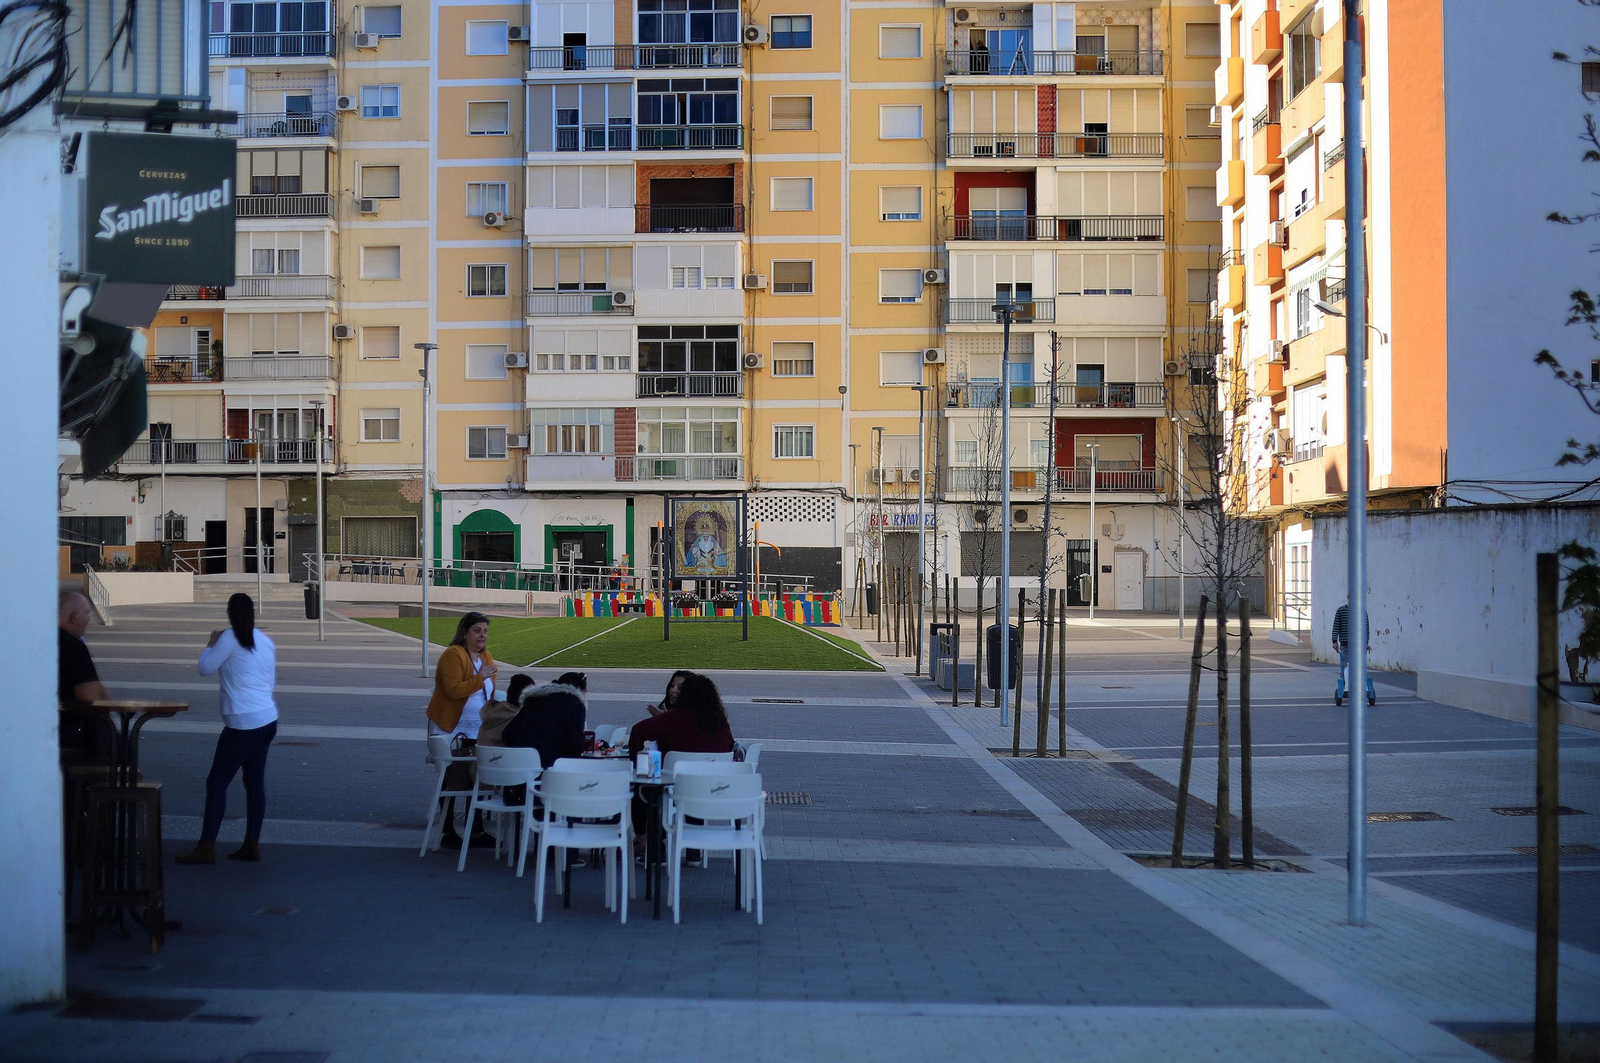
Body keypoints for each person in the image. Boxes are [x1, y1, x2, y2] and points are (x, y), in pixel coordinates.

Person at [177, 594, 279, 865]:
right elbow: (269, 683)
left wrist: (210, 643)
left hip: (242, 723)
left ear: (230, 613)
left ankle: (206, 847)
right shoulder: (265, 641)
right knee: (254, 783)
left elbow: (204, 668)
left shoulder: (229, 638)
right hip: (267, 719)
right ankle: (251, 845)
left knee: (217, 782)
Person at [425, 612, 498, 848]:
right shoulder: (453, 655)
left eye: (485, 631)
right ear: (464, 632)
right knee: (452, 780)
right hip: (452, 728)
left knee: (475, 776)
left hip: (478, 730)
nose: (482, 636)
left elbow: (488, 689)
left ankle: (475, 830)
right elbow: (453, 690)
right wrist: (480, 677)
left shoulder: (485, 656)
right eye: (477, 630)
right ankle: (447, 832)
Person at [628, 672, 734, 758]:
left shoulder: (672, 719)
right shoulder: (721, 722)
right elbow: (729, 747)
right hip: (715, 780)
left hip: (675, 780)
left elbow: (637, 731)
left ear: (684, 694)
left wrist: (638, 765)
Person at [501, 671, 588, 773]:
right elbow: (575, 746)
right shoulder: (576, 705)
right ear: (580, 690)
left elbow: (507, 734)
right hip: (547, 772)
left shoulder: (533, 701)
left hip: (514, 770)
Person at [58, 590, 109, 759]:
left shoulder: (37, 641)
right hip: (68, 733)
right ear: (74, 617)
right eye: (86, 614)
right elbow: (90, 695)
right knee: (119, 746)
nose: (88, 619)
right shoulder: (72, 646)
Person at [1331, 602, 1376, 705]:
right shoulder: (1341, 611)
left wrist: (1366, 643)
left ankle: (1361, 686)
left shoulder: (1362, 612)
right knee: (1345, 667)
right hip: (1345, 645)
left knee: (1359, 667)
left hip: (1359, 645)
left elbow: (1366, 629)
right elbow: (1336, 627)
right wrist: (1334, 642)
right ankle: (1346, 687)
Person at [477, 673, 533, 748]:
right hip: (505, 758)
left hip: (483, 758)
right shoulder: (517, 721)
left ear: (508, 692)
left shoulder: (491, 711)